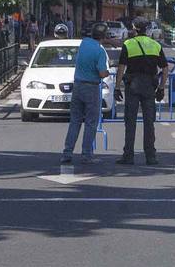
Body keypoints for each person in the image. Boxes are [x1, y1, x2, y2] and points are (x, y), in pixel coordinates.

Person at [115, 18, 168, 166]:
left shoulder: (128, 44)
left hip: (133, 86)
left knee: (130, 122)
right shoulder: (155, 45)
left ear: (133, 28)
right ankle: (150, 157)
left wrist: (117, 87)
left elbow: (121, 68)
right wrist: (162, 87)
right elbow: (165, 68)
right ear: (147, 29)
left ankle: (128, 156)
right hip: (149, 87)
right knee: (149, 122)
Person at [61, 21, 111, 165]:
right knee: (90, 122)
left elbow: (94, 42)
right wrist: (107, 71)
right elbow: (102, 73)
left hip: (77, 86)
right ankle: (86, 154)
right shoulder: (100, 51)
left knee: (75, 121)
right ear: (104, 35)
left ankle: (67, 153)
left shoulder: (84, 43)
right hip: (91, 87)